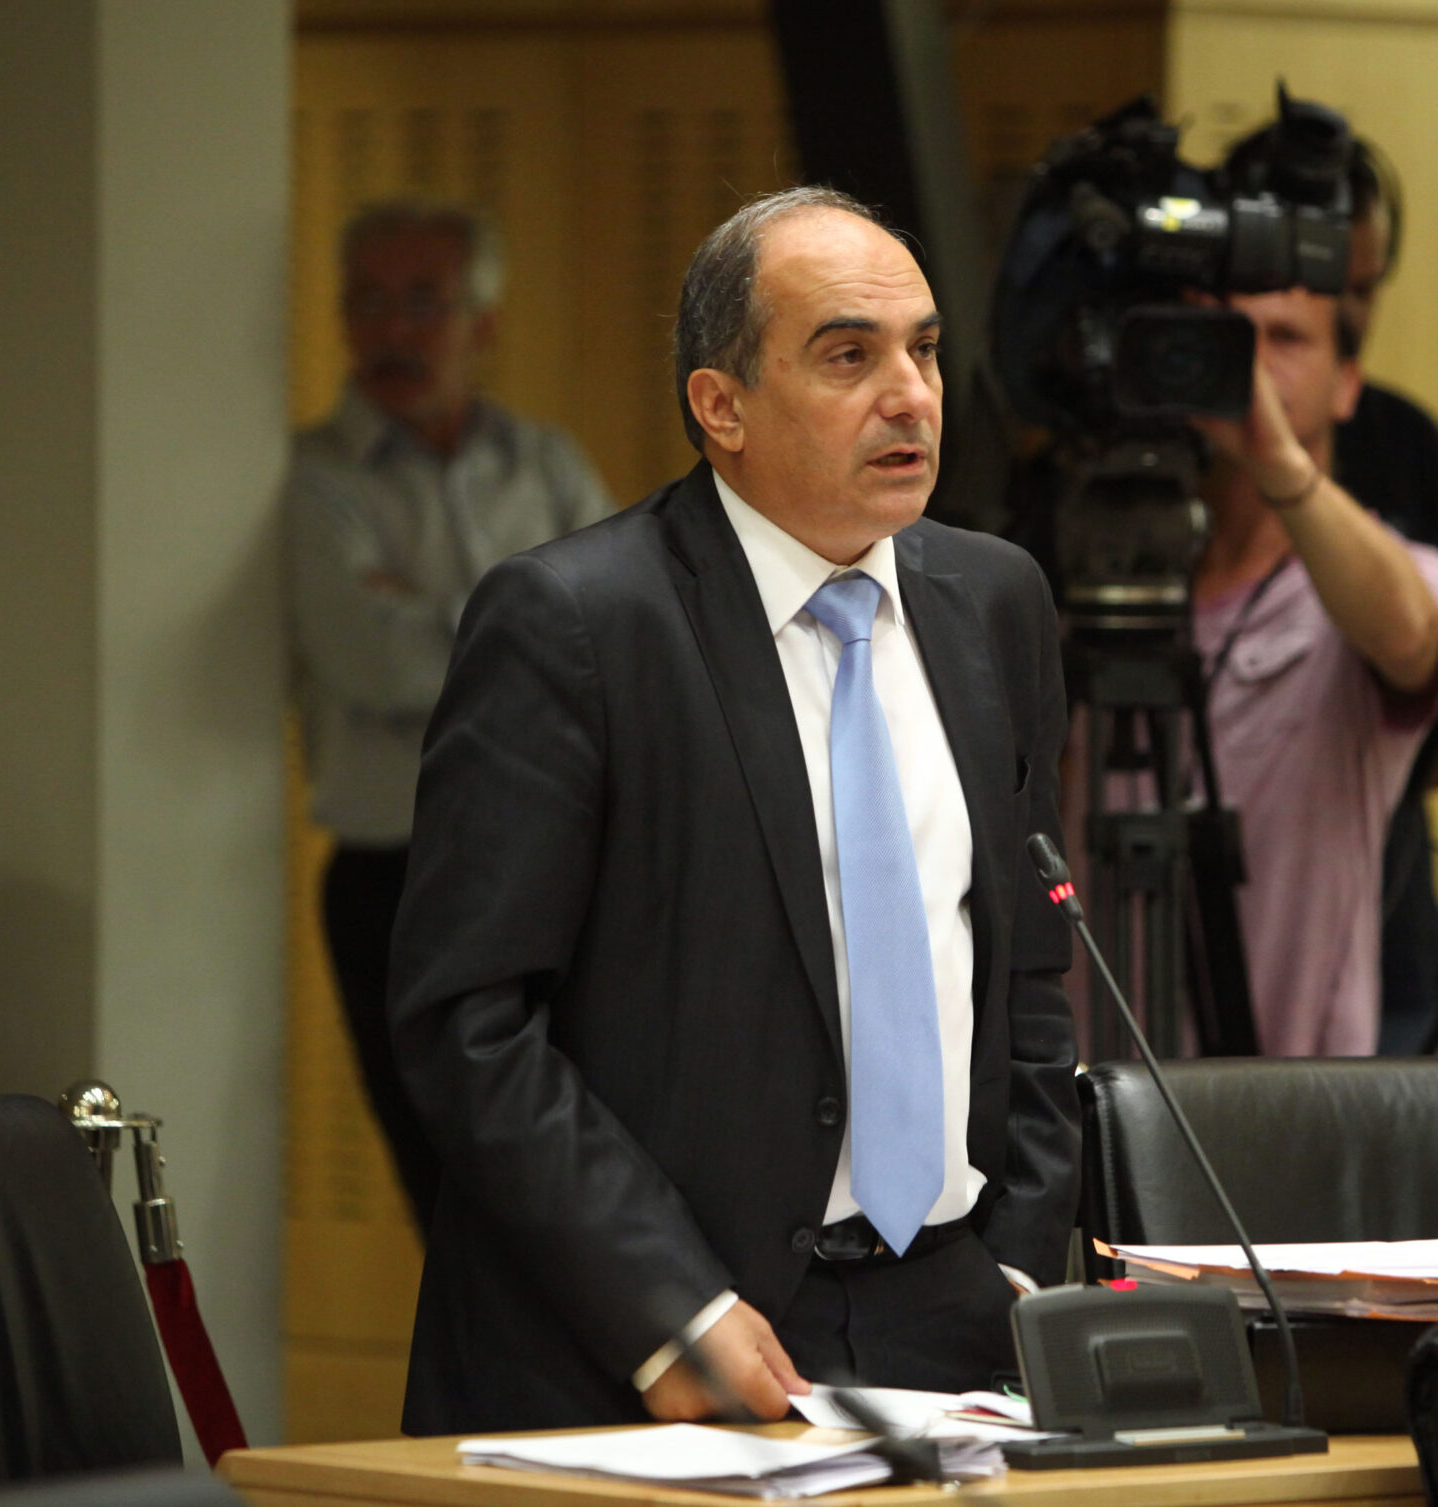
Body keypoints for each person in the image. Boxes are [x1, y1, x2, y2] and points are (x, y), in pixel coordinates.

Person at [385, 187, 1081, 1435]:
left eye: (923, 349)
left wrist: (1019, 1265)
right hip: (657, 1332)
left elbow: (1025, 968)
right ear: (721, 407)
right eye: (848, 356)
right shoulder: (575, 624)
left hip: (953, 1314)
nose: (910, 395)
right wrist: (667, 1306)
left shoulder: (996, 601)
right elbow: (467, 1022)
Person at [283, 199, 616, 1234]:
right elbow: (376, 662)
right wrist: (533, 630)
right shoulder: (312, 481)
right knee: (457, 1201)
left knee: (584, 1181)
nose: (392, 330)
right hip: (400, 884)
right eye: (368, 302)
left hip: (567, 873)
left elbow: (620, 641)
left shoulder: (546, 464)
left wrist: (435, 616)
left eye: (422, 302)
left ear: (484, 321)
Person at [1190, 205, 1438, 1059]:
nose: (1251, 365)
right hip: (1101, 1082)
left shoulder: (1398, 575)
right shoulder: (1111, 581)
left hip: (1297, 1088)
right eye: (1228, 337)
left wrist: (1277, 460)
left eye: (1285, 338)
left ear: (1349, 383)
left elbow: (1410, 637)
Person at [1329, 137, 1438, 1056]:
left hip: (1390, 929)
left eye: (1367, 290)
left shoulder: (1405, 443)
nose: (1350, 319)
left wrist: (1434, 727)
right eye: (1330, 290)